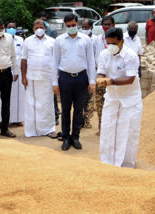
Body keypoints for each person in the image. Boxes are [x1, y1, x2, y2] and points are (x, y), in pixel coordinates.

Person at [97, 27, 142, 168]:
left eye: (114, 44)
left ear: (121, 41)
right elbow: (101, 73)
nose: (111, 47)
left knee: (128, 132)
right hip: (112, 97)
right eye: (108, 44)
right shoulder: (104, 54)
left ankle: (126, 165)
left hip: (130, 99)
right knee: (107, 129)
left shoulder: (131, 55)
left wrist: (111, 81)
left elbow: (130, 79)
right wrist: (100, 79)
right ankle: (107, 163)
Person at [53, 13, 95, 151]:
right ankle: (65, 138)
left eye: (73, 25)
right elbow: (55, 62)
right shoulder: (59, 40)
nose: (71, 27)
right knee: (65, 109)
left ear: (77, 23)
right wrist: (55, 82)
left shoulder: (85, 40)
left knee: (78, 109)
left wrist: (92, 81)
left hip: (81, 78)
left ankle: (75, 137)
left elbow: (90, 61)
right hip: (65, 78)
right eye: (68, 26)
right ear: (65, 25)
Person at [21, 19, 57, 138]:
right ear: (33, 29)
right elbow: (24, 59)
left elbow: (56, 60)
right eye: (36, 27)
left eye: (41, 27)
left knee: (47, 104)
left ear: (45, 28)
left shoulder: (52, 41)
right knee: (32, 104)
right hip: (32, 77)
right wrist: (23, 77)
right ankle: (32, 130)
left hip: (47, 77)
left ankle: (49, 129)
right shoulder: (27, 41)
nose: (39, 29)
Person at [94, 16, 115, 136]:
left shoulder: (119, 39)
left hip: (113, 77)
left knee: (112, 102)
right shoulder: (97, 40)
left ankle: (111, 128)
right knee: (100, 103)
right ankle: (101, 127)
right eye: (105, 24)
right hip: (101, 77)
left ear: (113, 25)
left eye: (109, 24)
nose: (107, 27)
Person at [39, 11, 60, 125]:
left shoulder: (52, 32)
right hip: (39, 72)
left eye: (45, 20)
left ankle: (55, 115)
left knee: (52, 95)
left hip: (50, 70)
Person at [5, 21, 25, 126]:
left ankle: (18, 119)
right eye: (9, 27)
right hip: (7, 70)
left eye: (13, 27)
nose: (11, 28)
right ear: (6, 28)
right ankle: (6, 119)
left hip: (18, 71)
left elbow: (23, 56)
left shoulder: (20, 40)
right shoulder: (3, 39)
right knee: (7, 96)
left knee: (18, 96)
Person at [81, 18, 97, 129]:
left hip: (92, 72)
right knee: (81, 97)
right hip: (82, 73)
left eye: (86, 27)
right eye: (83, 27)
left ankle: (87, 119)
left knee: (89, 98)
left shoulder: (95, 40)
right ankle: (80, 119)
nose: (84, 29)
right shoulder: (81, 39)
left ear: (92, 27)